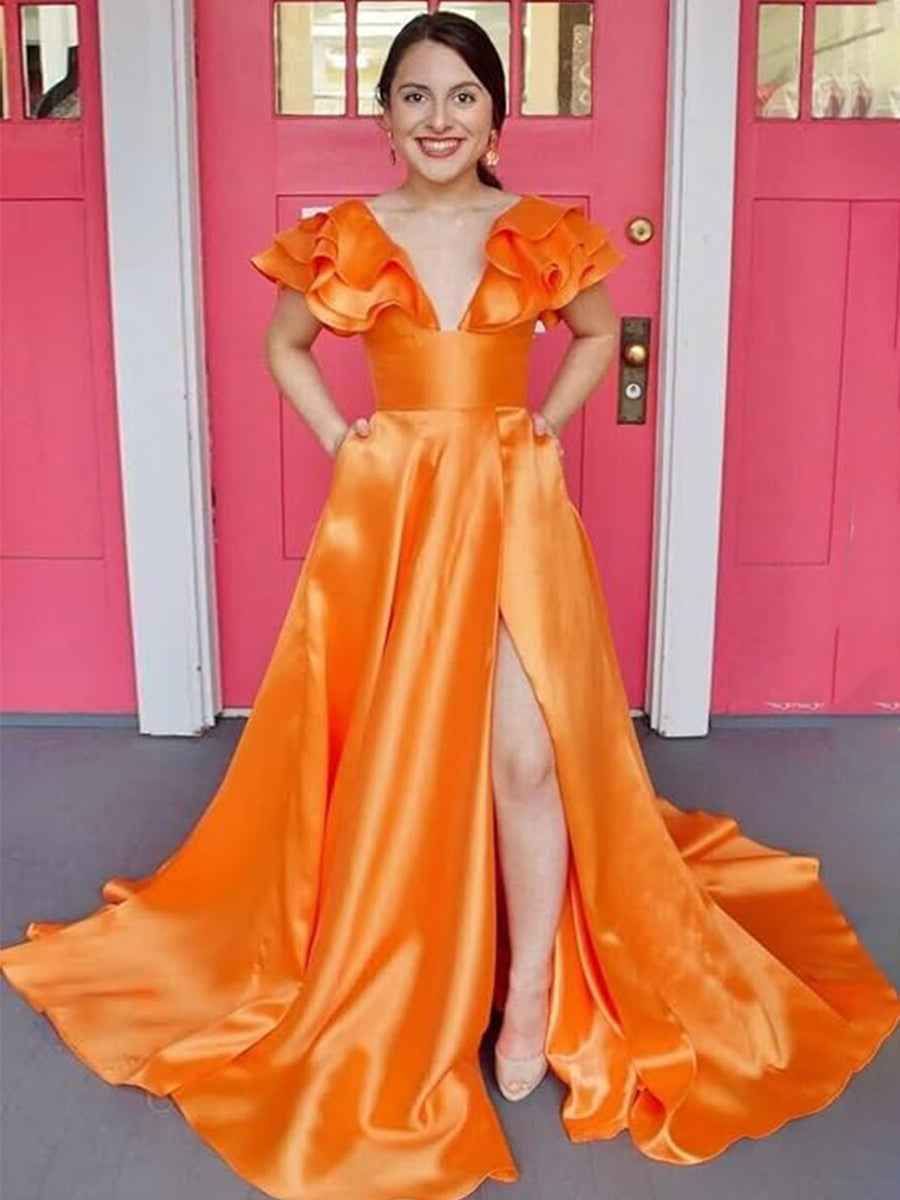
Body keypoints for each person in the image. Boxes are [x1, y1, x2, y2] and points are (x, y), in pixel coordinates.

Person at [1, 12, 898, 1200]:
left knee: (526, 756)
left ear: (494, 117)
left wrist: (546, 425)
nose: (439, 118)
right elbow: (284, 346)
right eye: (415, 97)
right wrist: (344, 438)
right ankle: (408, 955)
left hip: (513, 504)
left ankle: (526, 992)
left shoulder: (537, 231)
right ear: (384, 116)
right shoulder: (350, 235)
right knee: (404, 749)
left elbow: (597, 332)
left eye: (463, 96)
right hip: (398, 515)